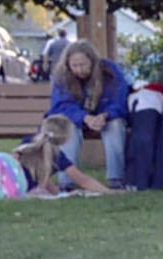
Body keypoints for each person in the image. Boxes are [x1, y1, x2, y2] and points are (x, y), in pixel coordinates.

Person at [48, 39, 133, 190]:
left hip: (105, 117)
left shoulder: (110, 72)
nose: (79, 70)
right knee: (67, 128)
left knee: (116, 126)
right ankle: (67, 181)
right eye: (75, 66)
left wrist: (106, 115)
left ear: (92, 62)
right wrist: (85, 118)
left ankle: (116, 178)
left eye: (83, 65)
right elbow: (62, 106)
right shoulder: (62, 76)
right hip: (76, 119)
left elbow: (119, 99)